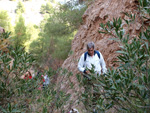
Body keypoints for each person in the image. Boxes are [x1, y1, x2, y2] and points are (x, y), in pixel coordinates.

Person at [77, 42, 107, 112]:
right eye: (89, 50)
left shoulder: (98, 54)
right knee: (88, 94)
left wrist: (104, 73)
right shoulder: (84, 56)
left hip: (97, 77)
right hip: (88, 78)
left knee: (98, 92)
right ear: (87, 50)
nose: (90, 52)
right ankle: (88, 109)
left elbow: (103, 64)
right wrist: (84, 70)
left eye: (91, 50)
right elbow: (79, 66)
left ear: (94, 49)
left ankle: (94, 107)